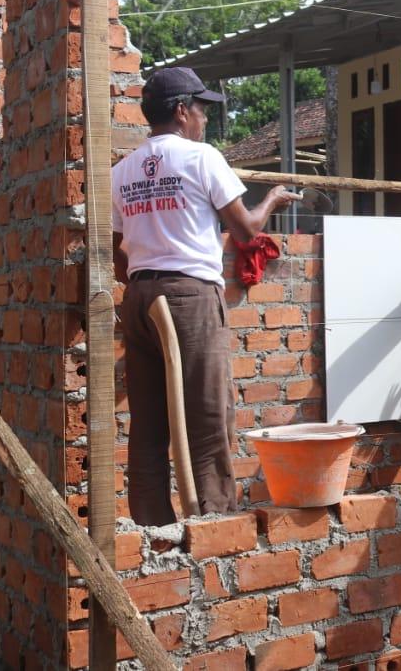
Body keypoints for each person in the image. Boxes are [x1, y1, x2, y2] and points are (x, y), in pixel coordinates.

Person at [112, 67, 299, 526]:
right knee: (208, 415)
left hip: (139, 297)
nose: (204, 119)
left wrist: (148, 281)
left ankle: (152, 529)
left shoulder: (122, 171)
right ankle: (215, 525)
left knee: (149, 422)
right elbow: (246, 230)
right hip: (189, 299)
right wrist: (272, 199)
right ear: (181, 111)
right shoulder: (201, 157)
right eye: (201, 109)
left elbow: (119, 256)